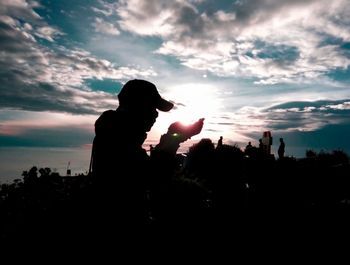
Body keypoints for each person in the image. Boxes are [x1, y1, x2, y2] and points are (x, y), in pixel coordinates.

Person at [90, 79, 204, 234]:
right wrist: (175, 137)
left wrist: (175, 137)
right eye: (152, 107)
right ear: (137, 106)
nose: (155, 114)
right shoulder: (117, 138)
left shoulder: (115, 133)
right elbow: (153, 176)